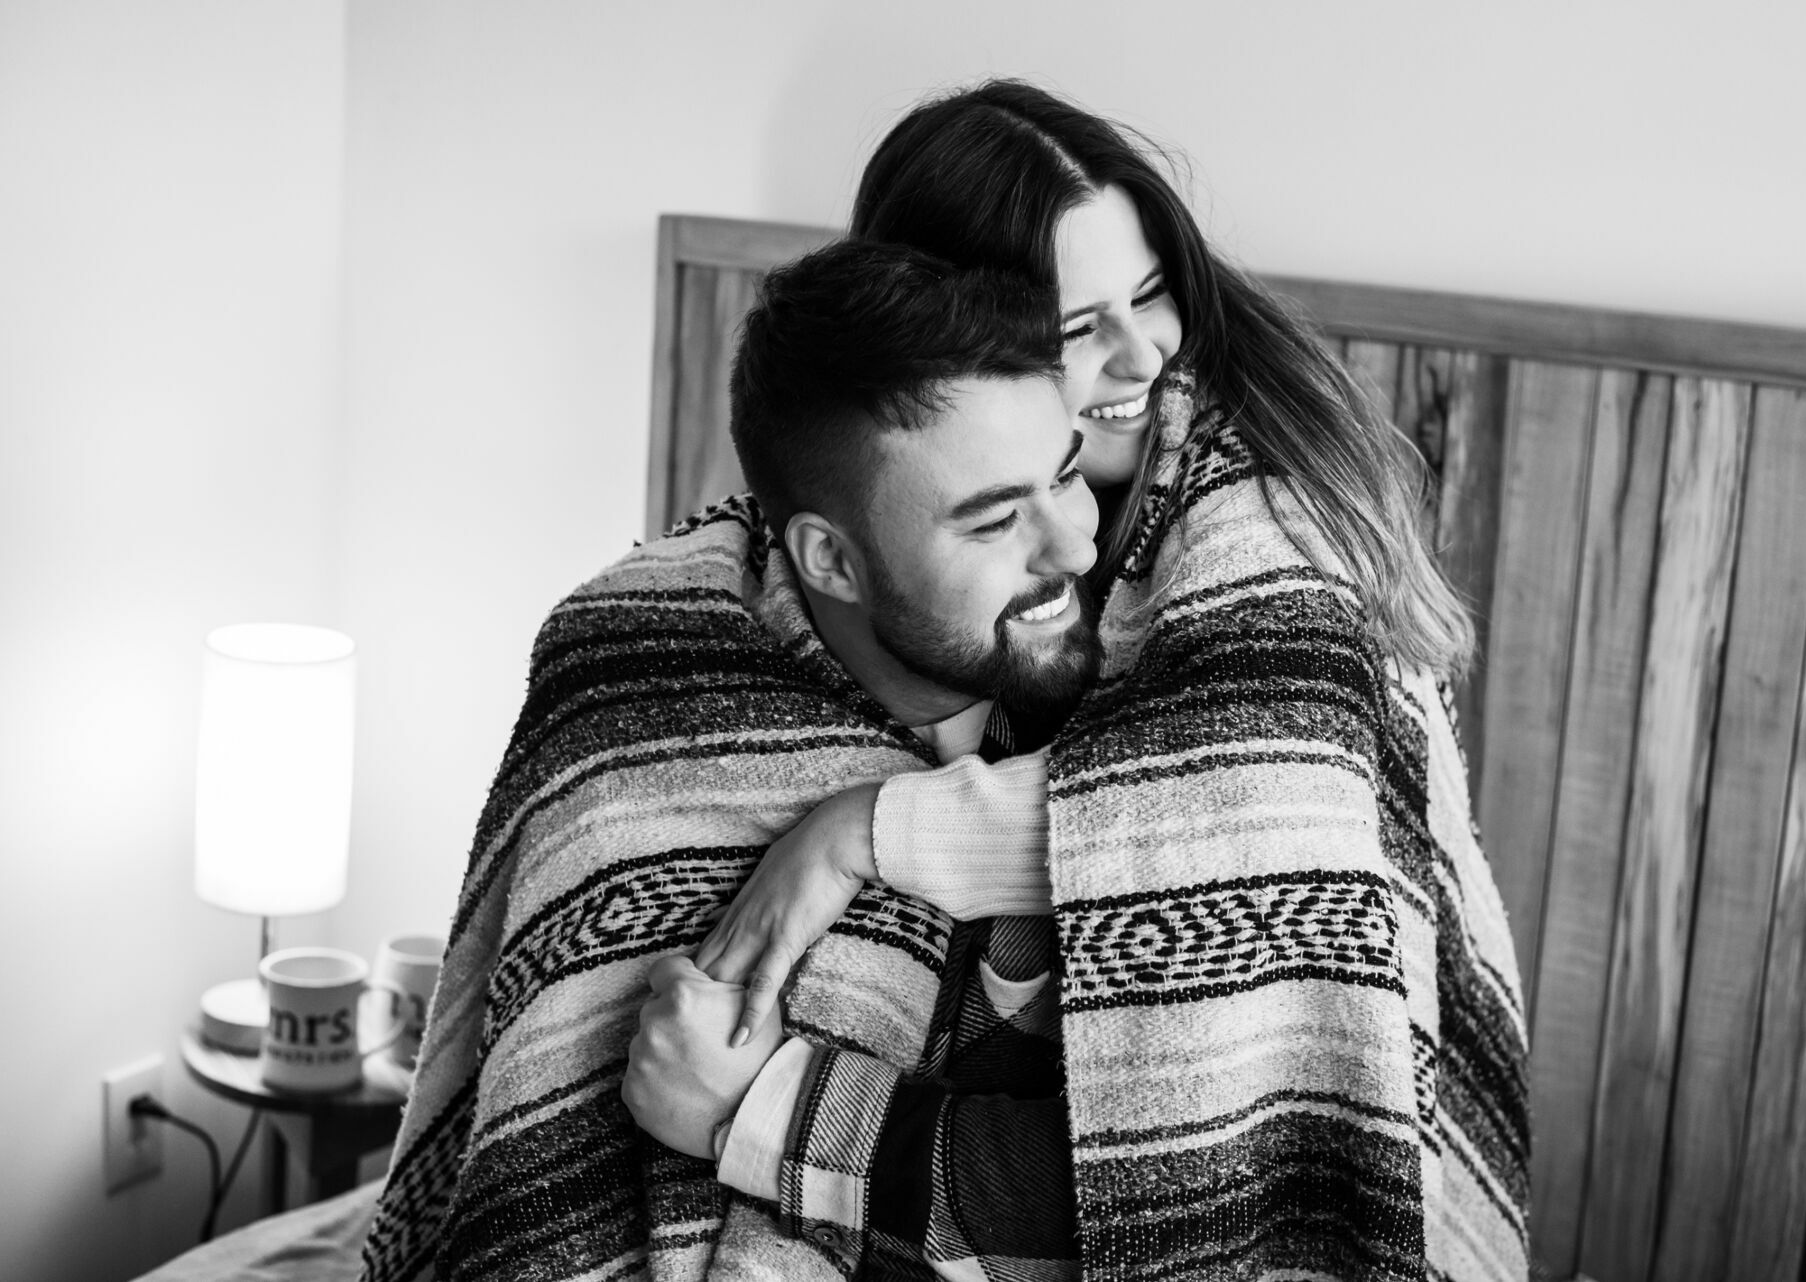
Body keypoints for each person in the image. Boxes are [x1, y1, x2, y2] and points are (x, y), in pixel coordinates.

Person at [633, 79, 1530, 1282]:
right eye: (1077, 324)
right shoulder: (800, 573)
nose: (1144, 353)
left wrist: (860, 838)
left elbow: (1213, 817)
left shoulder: (1255, 516)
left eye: (1154, 292)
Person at [360, 240, 1107, 1282]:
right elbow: (555, 1155)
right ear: (829, 559)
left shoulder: (1155, 693)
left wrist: (769, 1103)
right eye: (994, 520)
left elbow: (1178, 1195)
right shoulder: (642, 685)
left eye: (1069, 474)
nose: (1074, 547)